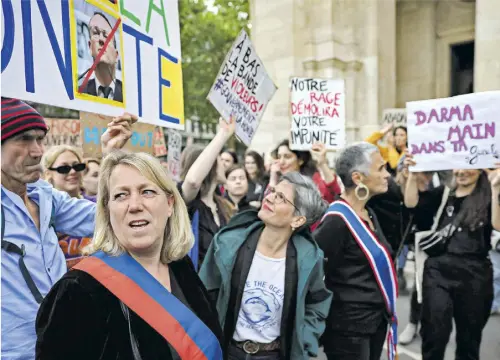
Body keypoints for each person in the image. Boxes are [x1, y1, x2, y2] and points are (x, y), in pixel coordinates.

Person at [36, 151, 223, 359]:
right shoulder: (78, 290)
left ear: (170, 204)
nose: (135, 206)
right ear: (107, 211)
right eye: (121, 195)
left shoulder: (180, 266)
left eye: (147, 192)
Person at [1, 97, 133, 359]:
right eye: (24, 139)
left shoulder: (45, 196)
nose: (37, 150)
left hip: (65, 344)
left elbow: (109, 218)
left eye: (40, 139)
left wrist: (110, 154)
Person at [200, 172, 332, 359]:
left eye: (280, 197)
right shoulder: (228, 243)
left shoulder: (309, 259)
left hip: (274, 355)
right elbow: (203, 294)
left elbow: (317, 304)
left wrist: (305, 342)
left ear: (297, 220)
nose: (269, 198)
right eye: (272, 191)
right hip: (226, 351)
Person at [404, 156, 500, 360]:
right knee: (434, 335)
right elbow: (412, 203)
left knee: (469, 340)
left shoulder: (489, 193)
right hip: (438, 272)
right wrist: (412, 176)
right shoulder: (445, 193)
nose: (462, 171)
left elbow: (498, 225)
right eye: (458, 164)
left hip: (475, 275)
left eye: (470, 165)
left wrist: (497, 188)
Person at [314, 142, 398, 360]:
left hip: (374, 322)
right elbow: (313, 270)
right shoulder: (336, 221)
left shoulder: (368, 213)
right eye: (380, 169)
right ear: (358, 178)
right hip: (348, 329)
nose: (387, 175)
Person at [179, 117, 236, 268]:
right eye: (218, 159)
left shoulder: (224, 204)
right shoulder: (188, 204)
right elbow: (192, 181)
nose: (224, 164)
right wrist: (223, 133)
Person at [42, 146, 95, 269]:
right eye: (64, 168)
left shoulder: (96, 205)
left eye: (78, 166)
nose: (72, 172)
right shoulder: (41, 211)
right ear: (48, 173)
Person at [270, 140, 341, 204]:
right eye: (279, 157)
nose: (281, 162)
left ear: (300, 160)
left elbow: (334, 194)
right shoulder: (276, 181)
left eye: (287, 157)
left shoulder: (314, 180)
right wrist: (273, 179)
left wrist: (322, 163)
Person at [80, 12, 123, 102]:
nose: (101, 39)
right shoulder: (79, 92)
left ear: (116, 55)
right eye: (95, 33)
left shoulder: (129, 95)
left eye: (106, 36)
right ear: (90, 47)